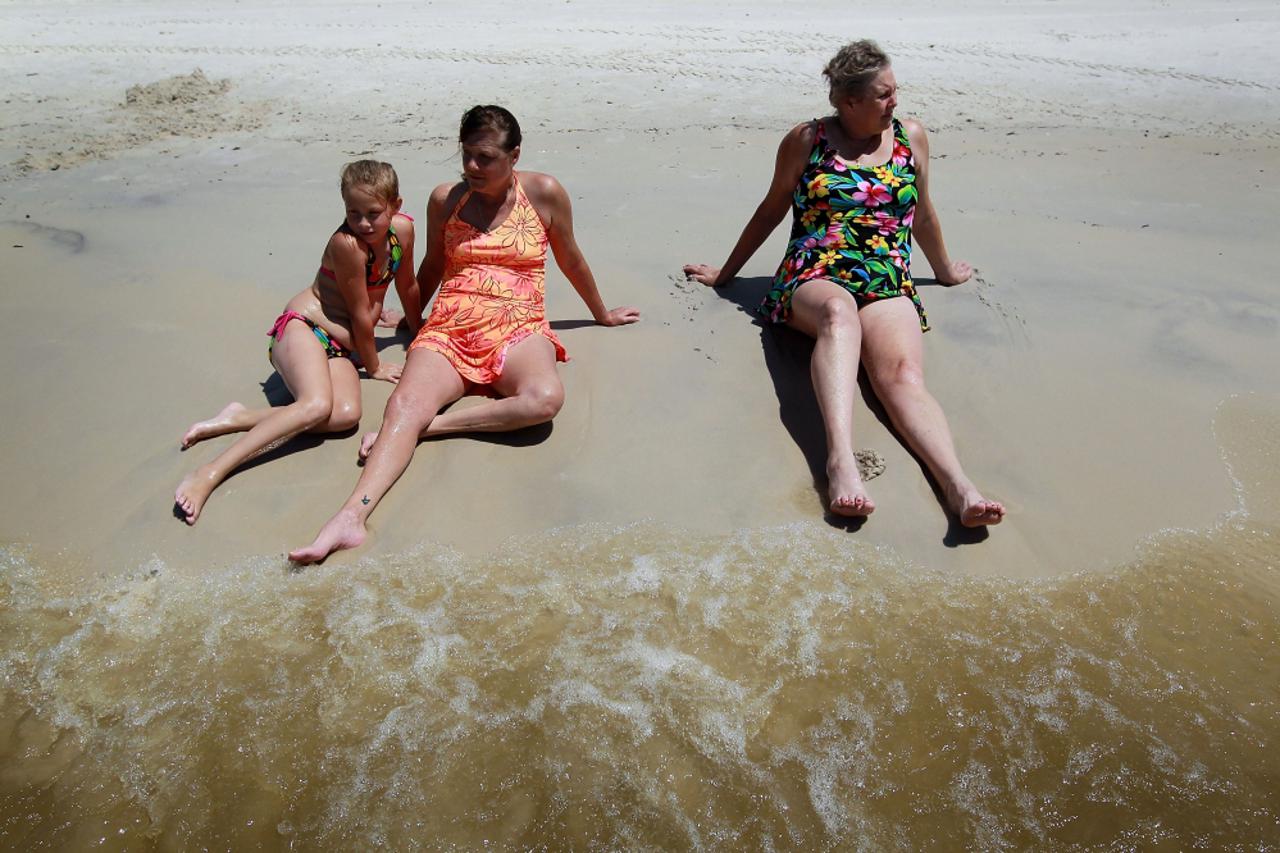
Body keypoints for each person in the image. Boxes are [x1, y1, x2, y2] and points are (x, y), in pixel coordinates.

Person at [289, 106, 640, 563]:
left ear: (514, 155)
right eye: (467, 155)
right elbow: (431, 265)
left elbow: (570, 257)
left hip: (520, 324)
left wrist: (601, 313)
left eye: (486, 157)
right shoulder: (444, 199)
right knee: (404, 405)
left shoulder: (545, 193)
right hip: (452, 321)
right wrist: (412, 318)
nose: (472, 167)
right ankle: (350, 517)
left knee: (543, 400)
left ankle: (425, 429)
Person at [684, 40, 1004, 527]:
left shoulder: (910, 136)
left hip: (885, 273)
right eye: (883, 95)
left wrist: (941, 270)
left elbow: (922, 212)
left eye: (894, 91)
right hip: (813, 272)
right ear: (848, 101)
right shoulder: (807, 139)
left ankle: (959, 486)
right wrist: (724, 275)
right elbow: (772, 208)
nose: (895, 102)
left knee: (900, 376)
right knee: (839, 316)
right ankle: (840, 463)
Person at [175, 160, 420, 524]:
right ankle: (209, 472)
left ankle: (239, 417)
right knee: (316, 406)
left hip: (338, 345)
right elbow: (357, 315)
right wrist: (375, 366)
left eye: (373, 213)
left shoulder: (403, 231)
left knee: (345, 417)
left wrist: (417, 330)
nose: (363, 223)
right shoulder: (348, 245)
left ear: (396, 206)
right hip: (304, 327)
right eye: (353, 213)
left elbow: (408, 285)